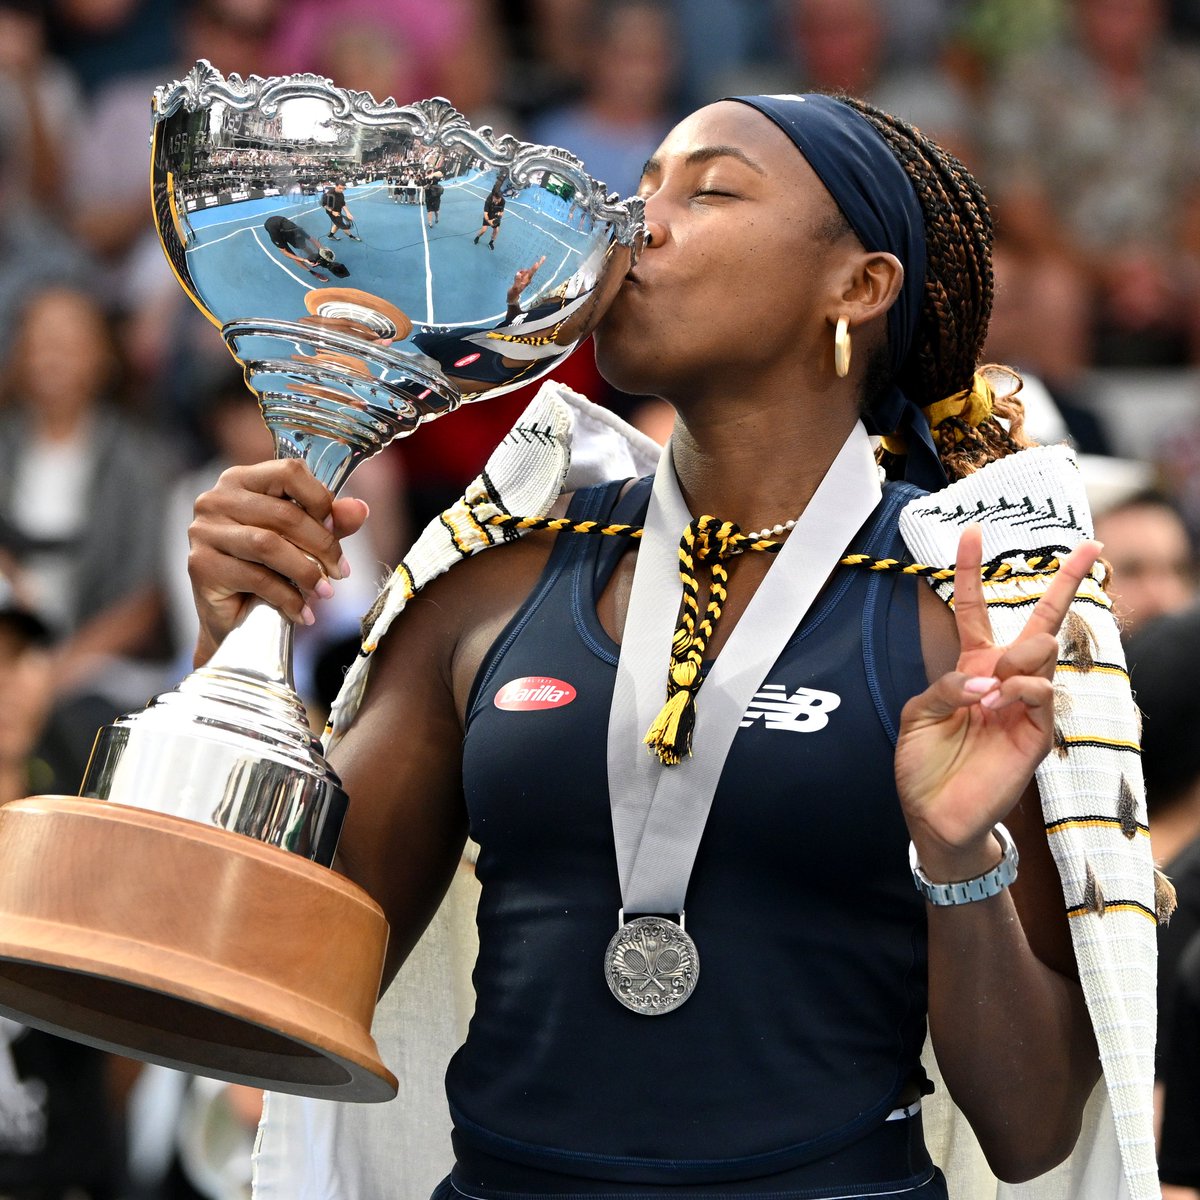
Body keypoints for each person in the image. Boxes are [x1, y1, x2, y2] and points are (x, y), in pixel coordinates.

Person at [187, 94, 1158, 1199]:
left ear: (858, 286)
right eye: (642, 185)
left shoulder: (962, 618)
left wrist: (958, 858)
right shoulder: (490, 582)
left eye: (710, 189)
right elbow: (275, 978)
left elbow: (1032, 1131)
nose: (632, 221)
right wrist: (236, 656)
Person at [472, 184, 504, 249]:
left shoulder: (502, 201)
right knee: (484, 230)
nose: (498, 201)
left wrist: (498, 218)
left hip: (495, 216)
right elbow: (485, 214)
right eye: (496, 199)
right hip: (488, 216)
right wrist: (489, 221)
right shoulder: (488, 201)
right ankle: (477, 237)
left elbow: (502, 212)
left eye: (499, 199)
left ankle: (491, 242)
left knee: (496, 230)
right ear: (493, 197)